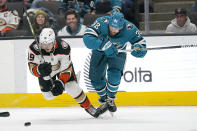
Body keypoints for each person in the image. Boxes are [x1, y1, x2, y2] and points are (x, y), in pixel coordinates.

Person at [83, 11, 147, 114]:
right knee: (95, 80)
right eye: (112, 27)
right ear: (108, 22)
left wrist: (138, 49)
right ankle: (106, 100)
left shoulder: (130, 28)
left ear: (123, 25)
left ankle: (110, 99)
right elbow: (87, 38)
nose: (114, 30)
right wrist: (103, 45)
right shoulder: (101, 22)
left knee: (115, 75)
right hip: (100, 51)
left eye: (118, 28)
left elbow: (142, 46)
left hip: (118, 53)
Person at [28, 28, 100, 118]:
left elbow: (66, 69)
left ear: (54, 41)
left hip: (62, 69)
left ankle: (89, 107)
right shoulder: (33, 48)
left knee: (72, 88)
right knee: (48, 96)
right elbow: (31, 67)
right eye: (43, 44)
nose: (46, 47)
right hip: (46, 73)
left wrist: (61, 82)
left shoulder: (64, 48)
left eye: (49, 44)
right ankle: (65, 84)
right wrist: (39, 70)